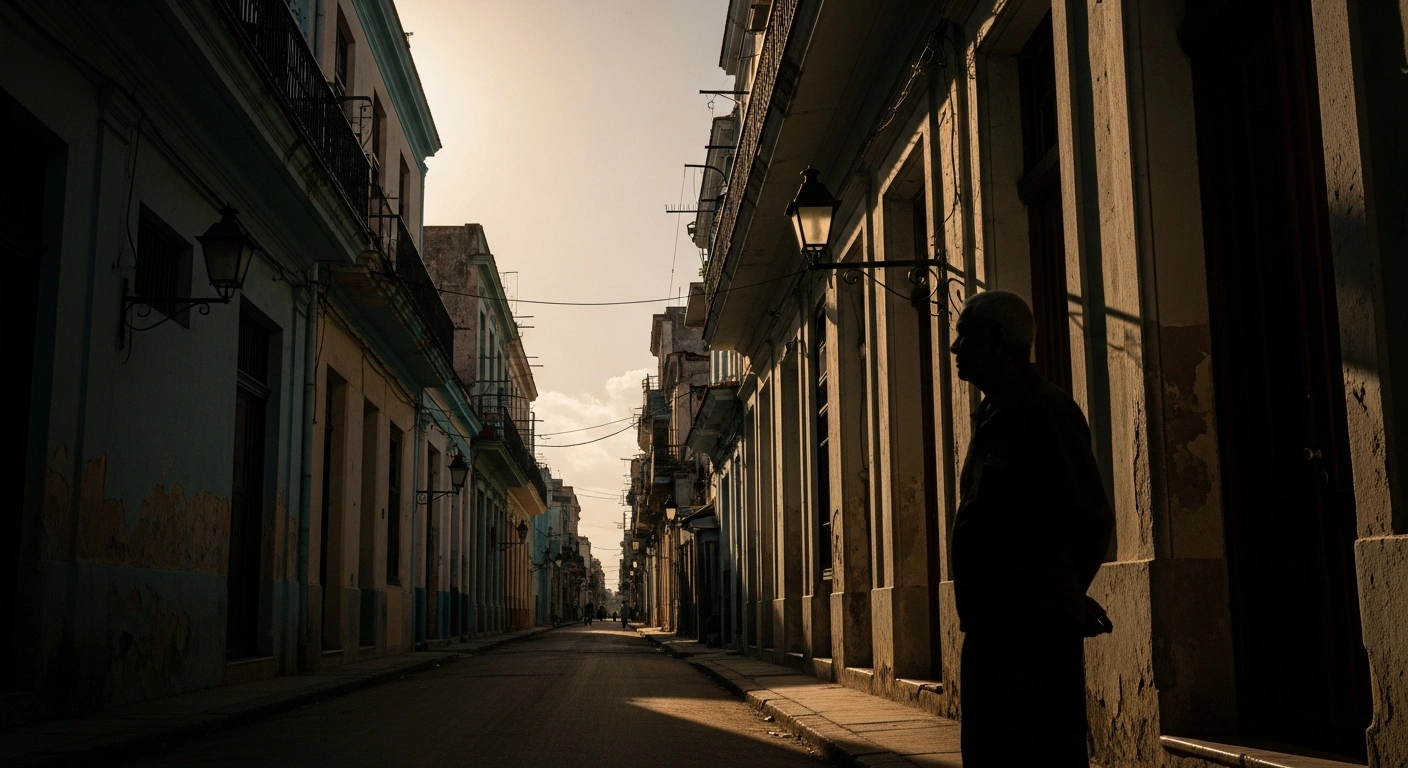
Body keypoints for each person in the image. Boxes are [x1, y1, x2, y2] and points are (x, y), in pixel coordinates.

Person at [948, 290, 1114, 768]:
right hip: (992, 633)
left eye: (965, 335)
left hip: (1032, 642)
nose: (956, 348)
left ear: (998, 340)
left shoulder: (1045, 411)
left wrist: (1057, 595)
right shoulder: (993, 414)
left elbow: (1092, 517)